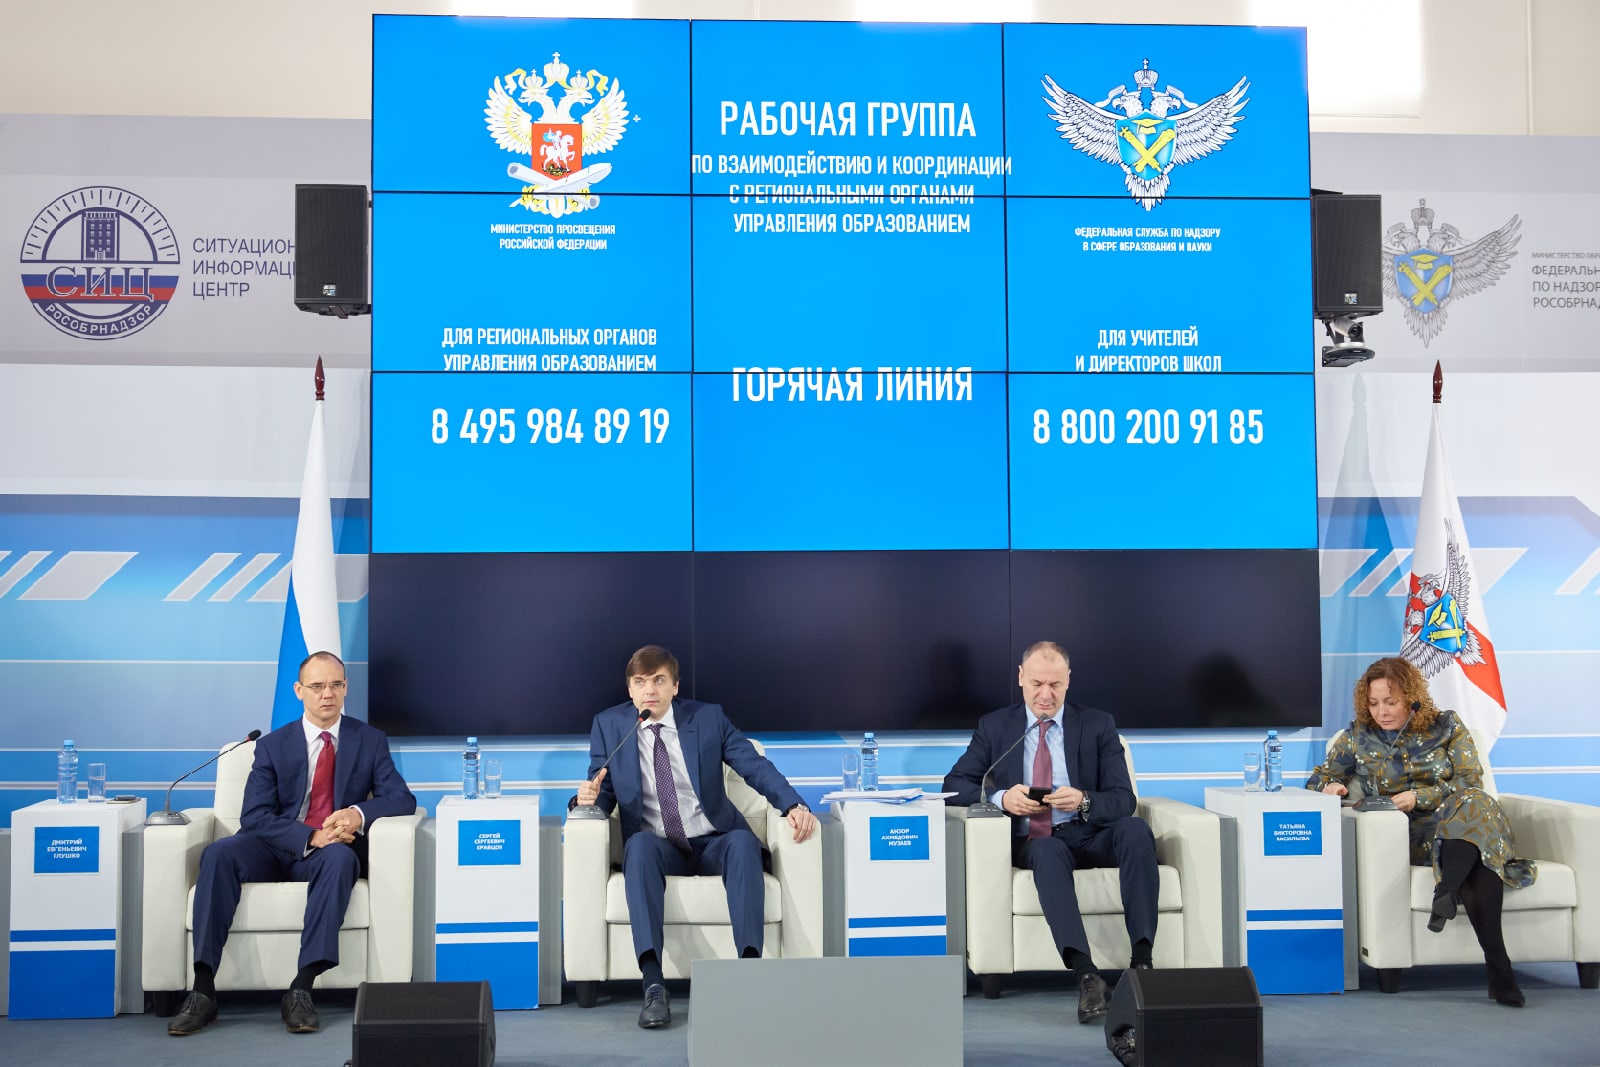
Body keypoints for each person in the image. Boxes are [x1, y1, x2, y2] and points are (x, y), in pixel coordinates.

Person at [167, 651, 417, 1036]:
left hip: (329, 851)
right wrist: (310, 835)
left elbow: (402, 798)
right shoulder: (272, 745)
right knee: (218, 853)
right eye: (317, 686)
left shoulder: (369, 740)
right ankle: (202, 989)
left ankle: (301, 988)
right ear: (299, 691)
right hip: (271, 846)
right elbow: (254, 816)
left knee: (340, 859)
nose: (327, 694)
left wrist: (357, 814)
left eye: (335, 685)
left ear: (346, 688)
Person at [573, 644, 819, 1030]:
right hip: (658, 846)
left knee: (742, 843)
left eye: (659, 680)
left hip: (712, 840)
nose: (649, 690)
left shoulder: (707, 718)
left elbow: (754, 766)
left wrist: (792, 804)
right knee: (638, 846)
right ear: (630, 689)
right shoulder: (610, 726)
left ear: (674, 687)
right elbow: (602, 790)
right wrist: (584, 800)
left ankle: (750, 974)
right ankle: (653, 984)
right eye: (640, 682)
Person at [943, 641, 1158, 1024]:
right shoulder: (996, 727)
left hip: (1090, 832)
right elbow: (954, 785)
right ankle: (1087, 976)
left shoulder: (1097, 724)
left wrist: (1084, 800)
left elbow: (1123, 798)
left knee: (1135, 830)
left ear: (1068, 680)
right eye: (1037, 684)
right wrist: (1002, 797)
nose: (1046, 695)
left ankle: (1143, 964)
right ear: (1021, 678)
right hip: (1036, 840)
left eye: (1055, 685)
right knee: (1046, 850)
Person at [1307, 656, 1535, 1007]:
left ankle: (1448, 891)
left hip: (1463, 821)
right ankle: (1498, 968)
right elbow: (1319, 777)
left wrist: (1420, 796)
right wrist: (1330, 787)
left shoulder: (1447, 726)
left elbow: (1470, 782)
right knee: (1478, 856)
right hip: (1414, 838)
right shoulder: (1358, 736)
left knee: (1475, 804)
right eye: (1374, 703)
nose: (1381, 712)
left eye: (1390, 702)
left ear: (1412, 698)